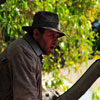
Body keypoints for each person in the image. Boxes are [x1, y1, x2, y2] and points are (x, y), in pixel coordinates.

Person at [0, 11, 67, 100]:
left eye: (57, 37)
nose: (56, 41)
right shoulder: (24, 53)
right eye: (51, 35)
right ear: (36, 33)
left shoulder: (31, 53)